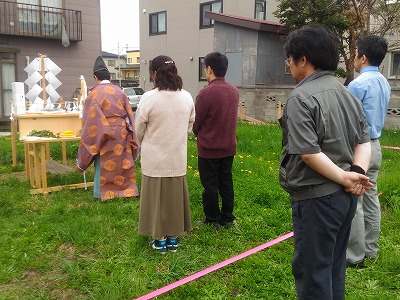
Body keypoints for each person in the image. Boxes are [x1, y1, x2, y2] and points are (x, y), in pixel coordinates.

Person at [279, 25, 373, 300]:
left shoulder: (300, 97)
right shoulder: (347, 94)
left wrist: (346, 178)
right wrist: (355, 172)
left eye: (290, 60)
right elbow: (364, 142)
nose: (290, 66)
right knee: (333, 265)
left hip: (317, 198)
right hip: (345, 199)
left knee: (312, 272)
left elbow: (307, 152)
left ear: (303, 59)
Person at [135, 55, 195, 254]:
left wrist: (144, 140)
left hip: (154, 158)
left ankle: (159, 239)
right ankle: (173, 238)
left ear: (154, 74)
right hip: (177, 156)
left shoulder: (149, 98)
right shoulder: (186, 96)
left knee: (155, 201)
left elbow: (139, 129)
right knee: (174, 200)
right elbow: (190, 123)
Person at [346, 35, 391, 268]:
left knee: (356, 201)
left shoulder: (357, 84)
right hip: (376, 146)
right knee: (371, 199)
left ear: (362, 57)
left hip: (359, 148)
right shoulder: (384, 81)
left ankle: (354, 257)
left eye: (355, 54)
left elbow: (347, 119)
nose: (354, 58)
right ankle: (371, 250)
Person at [76, 56, 139, 201]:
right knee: (123, 162)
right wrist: (131, 133)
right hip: (121, 131)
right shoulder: (120, 91)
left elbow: (90, 118)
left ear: (95, 77)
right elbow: (130, 115)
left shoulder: (93, 94)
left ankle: (101, 194)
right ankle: (126, 192)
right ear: (110, 77)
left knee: (103, 162)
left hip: (102, 130)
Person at [193, 52, 239, 228]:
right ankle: (227, 217)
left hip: (209, 148)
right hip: (228, 146)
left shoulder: (206, 93)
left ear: (209, 69)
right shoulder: (233, 91)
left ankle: (212, 219)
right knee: (226, 181)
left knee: (210, 185)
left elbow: (197, 122)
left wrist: (198, 132)